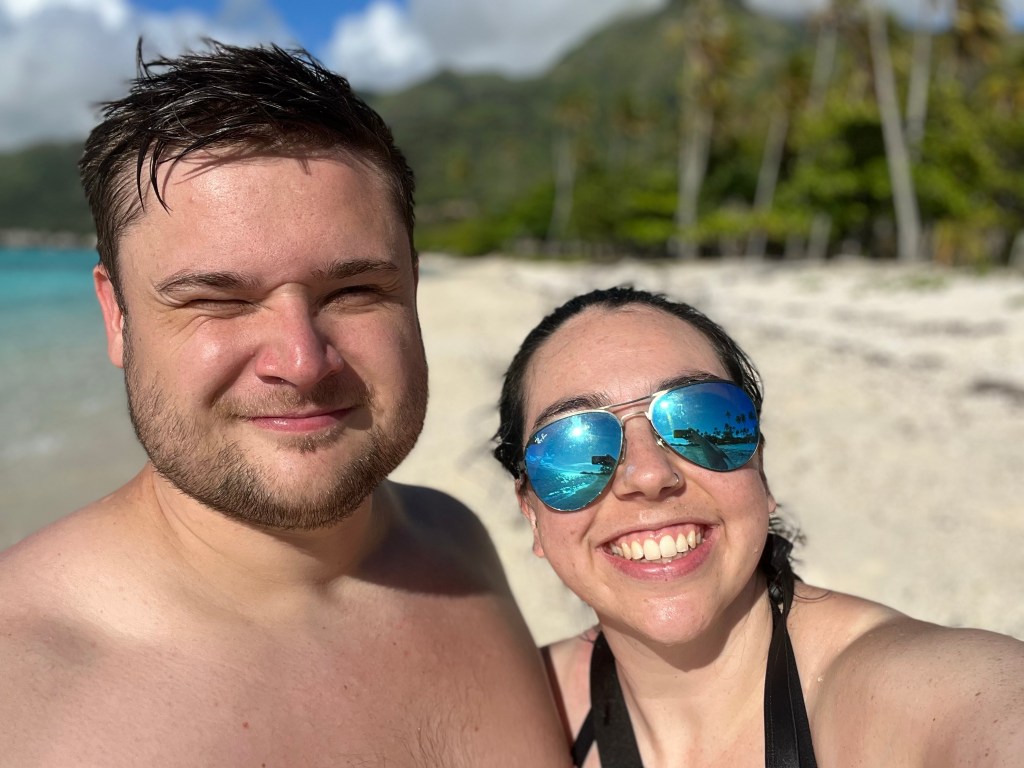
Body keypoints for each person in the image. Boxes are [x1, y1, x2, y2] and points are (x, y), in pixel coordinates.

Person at [0, 41, 571, 767]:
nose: (301, 361)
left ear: (412, 290)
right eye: (217, 300)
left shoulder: (456, 543)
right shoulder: (21, 682)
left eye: (354, 292)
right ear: (116, 318)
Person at [492, 285, 1024, 767]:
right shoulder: (515, 711)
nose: (650, 474)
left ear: (761, 471)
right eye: (572, 445)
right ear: (531, 512)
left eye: (700, 420)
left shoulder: (914, 694)